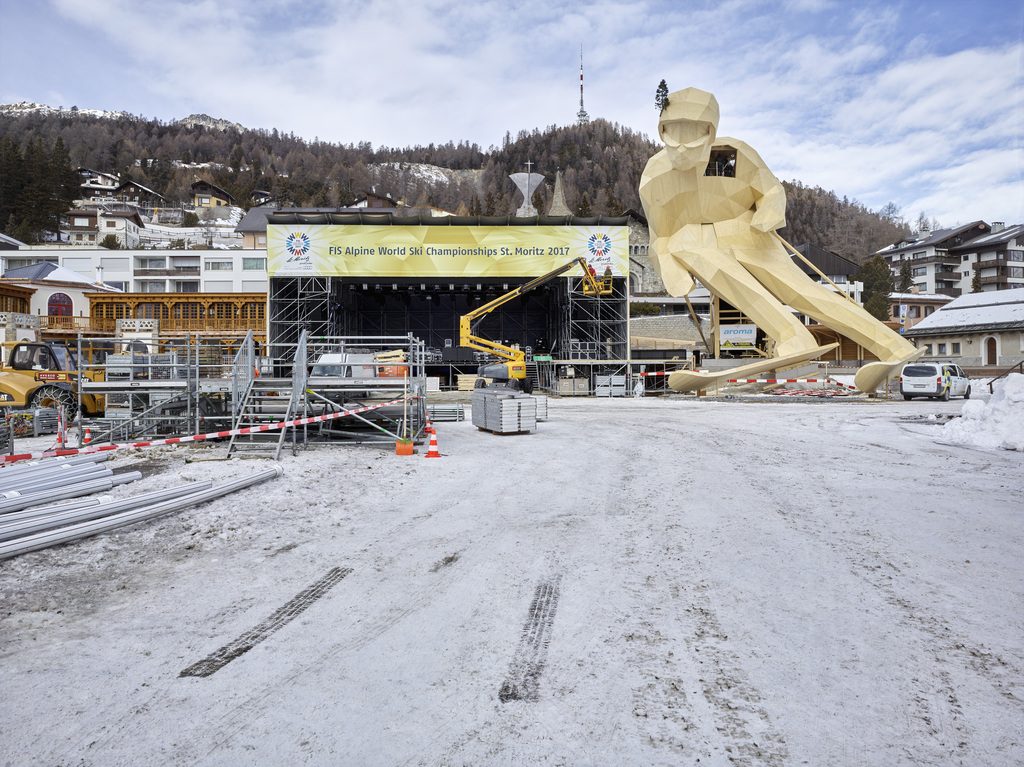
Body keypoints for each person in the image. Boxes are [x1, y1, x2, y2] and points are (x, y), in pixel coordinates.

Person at [638, 87, 918, 379]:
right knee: (686, 246)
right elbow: (661, 238)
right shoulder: (655, 177)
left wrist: (769, 209)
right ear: (662, 131)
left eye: (693, 135)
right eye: (673, 134)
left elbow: (770, 188)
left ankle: (893, 345)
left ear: (711, 132)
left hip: (747, 232)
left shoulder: (730, 155)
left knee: (803, 292)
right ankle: (791, 335)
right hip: (696, 240)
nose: (682, 147)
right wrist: (672, 271)